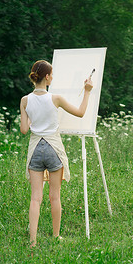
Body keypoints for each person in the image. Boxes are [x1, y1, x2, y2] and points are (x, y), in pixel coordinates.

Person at [20, 60, 93, 247]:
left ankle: (33, 241)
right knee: (55, 196)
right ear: (46, 77)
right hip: (53, 148)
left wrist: (33, 117)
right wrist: (87, 91)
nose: (53, 77)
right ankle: (55, 236)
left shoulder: (25, 100)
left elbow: (24, 130)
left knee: (35, 198)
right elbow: (81, 112)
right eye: (51, 74)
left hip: (35, 149)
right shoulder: (56, 99)